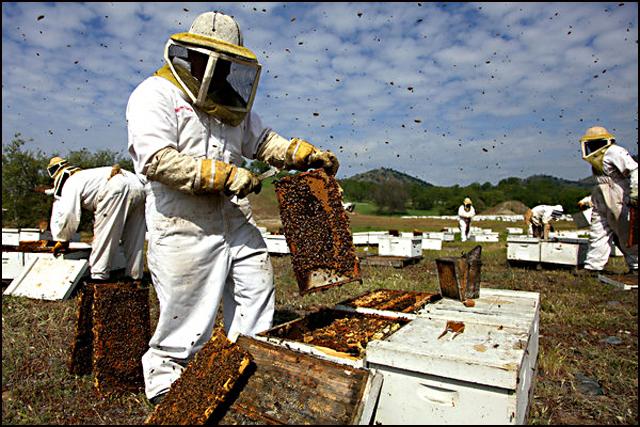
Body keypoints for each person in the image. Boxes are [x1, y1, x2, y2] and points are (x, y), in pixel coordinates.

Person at [126, 11, 339, 405]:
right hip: (182, 220)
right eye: (214, 62)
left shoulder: (231, 105)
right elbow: (156, 160)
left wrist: (301, 154)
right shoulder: (155, 94)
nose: (221, 72)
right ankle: (165, 383)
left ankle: (245, 361)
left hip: (233, 217)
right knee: (186, 312)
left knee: (257, 283)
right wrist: (224, 176)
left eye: (227, 64)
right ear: (192, 56)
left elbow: (263, 142)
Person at [46, 157, 146, 281]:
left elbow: (68, 214)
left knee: (104, 233)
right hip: (138, 185)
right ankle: (135, 277)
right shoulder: (88, 175)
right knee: (135, 236)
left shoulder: (69, 181)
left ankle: (99, 277)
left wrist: (62, 238)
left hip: (116, 187)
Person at [578, 126, 637, 276]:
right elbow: (602, 183)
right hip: (601, 195)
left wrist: (635, 192)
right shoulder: (599, 157)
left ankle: (636, 265)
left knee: (624, 232)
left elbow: (634, 169)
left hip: (618, 194)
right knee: (598, 231)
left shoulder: (615, 151)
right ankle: (593, 266)